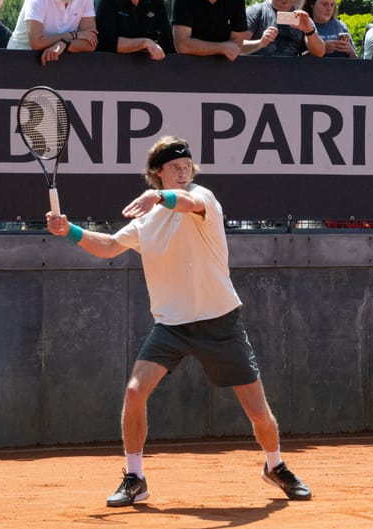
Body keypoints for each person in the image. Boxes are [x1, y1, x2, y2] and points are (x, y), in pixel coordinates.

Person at [45, 135, 312, 507]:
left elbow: (187, 203)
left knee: (257, 411)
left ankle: (275, 465)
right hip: (171, 325)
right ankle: (135, 477)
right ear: (158, 172)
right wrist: (69, 231)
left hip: (220, 322)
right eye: (175, 167)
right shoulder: (147, 221)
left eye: (187, 167)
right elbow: (108, 246)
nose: (184, 173)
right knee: (135, 391)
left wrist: (159, 196)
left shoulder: (203, 198)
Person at [7, 0, 97, 66]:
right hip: (21, 58)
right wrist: (71, 36)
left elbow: (90, 43)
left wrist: (65, 43)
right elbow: (36, 42)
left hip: (58, 61)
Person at [242, 0, 326, 57]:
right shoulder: (257, 12)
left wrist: (309, 31)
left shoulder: (302, 17)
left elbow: (320, 52)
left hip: (291, 74)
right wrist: (260, 43)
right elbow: (238, 47)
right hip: (257, 72)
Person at [96, 0, 174, 60]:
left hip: (150, 67)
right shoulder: (108, 2)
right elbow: (105, 43)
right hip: (113, 67)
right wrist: (144, 43)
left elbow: (167, 43)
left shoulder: (156, 3)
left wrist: (150, 45)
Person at [171, 0, 247, 61]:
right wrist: (222, 48)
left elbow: (235, 46)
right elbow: (182, 46)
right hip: (188, 67)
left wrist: (225, 48)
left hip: (223, 67)